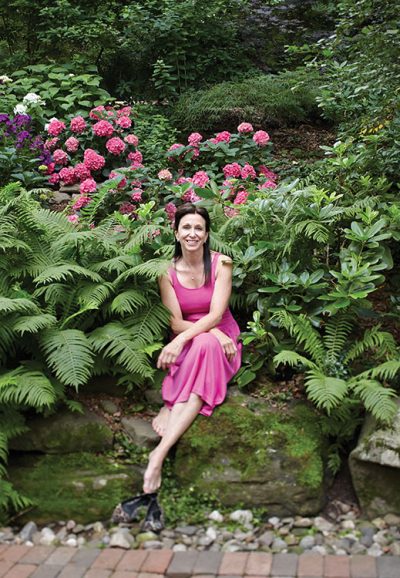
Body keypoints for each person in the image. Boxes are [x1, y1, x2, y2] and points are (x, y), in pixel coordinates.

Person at [143, 203, 242, 494]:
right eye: (186, 227)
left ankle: (158, 451)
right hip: (190, 337)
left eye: (198, 228)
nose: (192, 233)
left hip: (223, 339)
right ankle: (168, 419)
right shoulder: (166, 272)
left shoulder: (222, 264)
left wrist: (211, 333)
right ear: (176, 233)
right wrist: (200, 335)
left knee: (206, 344)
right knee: (203, 342)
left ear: (207, 233)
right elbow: (175, 323)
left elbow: (215, 315)